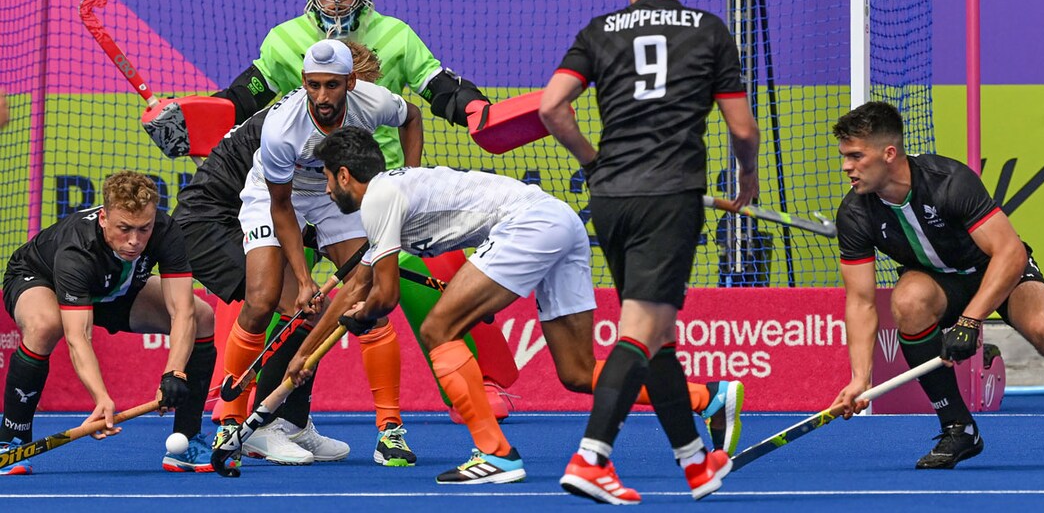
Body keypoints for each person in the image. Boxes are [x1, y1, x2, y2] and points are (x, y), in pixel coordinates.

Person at [150, 0, 516, 448]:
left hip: (366, 188)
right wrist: (193, 119)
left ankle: (398, 423)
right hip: (289, 189)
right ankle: (239, 417)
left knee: (381, 295)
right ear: (304, 82)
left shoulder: (389, 53)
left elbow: (429, 95)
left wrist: (464, 117)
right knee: (275, 300)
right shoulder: (283, 88)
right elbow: (241, 100)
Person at [284, 127, 746, 485]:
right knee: (578, 372)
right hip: (559, 222)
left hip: (526, 225)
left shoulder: (379, 197)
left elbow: (380, 298)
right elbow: (356, 285)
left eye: (326, 179)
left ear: (344, 175)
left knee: (437, 329)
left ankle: (494, 454)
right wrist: (305, 354)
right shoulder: (393, 194)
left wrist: (362, 317)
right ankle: (708, 397)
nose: (326, 191)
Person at [538, 0, 760, 504]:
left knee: (656, 333)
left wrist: (594, 160)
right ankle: (592, 458)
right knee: (642, 329)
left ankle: (694, 463)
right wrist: (748, 178)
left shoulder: (598, 30)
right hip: (669, 196)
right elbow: (741, 128)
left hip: (611, 199)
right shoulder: (708, 29)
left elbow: (551, 107)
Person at [830, 101, 1044, 470]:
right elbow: (860, 301)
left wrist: (970, 321)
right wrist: (860, 378)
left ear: (889, 153)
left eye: (856, 156)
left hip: (994, 269)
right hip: (938, 279)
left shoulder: (947, 181)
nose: (846, 167)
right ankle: (959, 430)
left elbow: (1009, 253)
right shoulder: (855, 213)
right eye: (844, 156)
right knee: (909, 302)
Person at [173, 41, 418, 466]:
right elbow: (282, 208)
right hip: (274, 198)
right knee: (264, 299)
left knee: (370, 300)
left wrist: (409, 179)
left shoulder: (373, 102)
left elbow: (411, 117)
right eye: (313, 85)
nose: (322, 97)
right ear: (304, 82)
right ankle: (233, 421)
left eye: (332, 86)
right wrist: (304, 280)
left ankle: (390, 431)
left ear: (350, 83)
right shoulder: (283, 127)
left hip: (331, 193)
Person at [0, 171, 217, 474]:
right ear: (104, 218)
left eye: (144, 229)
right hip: (40, 279)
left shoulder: (166, 232)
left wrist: (174, 373)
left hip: (115, 288)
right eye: (124, 228)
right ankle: (12, 441)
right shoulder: (78, 250)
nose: (134, 240)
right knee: (46, 325)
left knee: (203, 314)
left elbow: (183, 312)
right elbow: (79, 337)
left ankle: (187, 440)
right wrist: (101, 398)